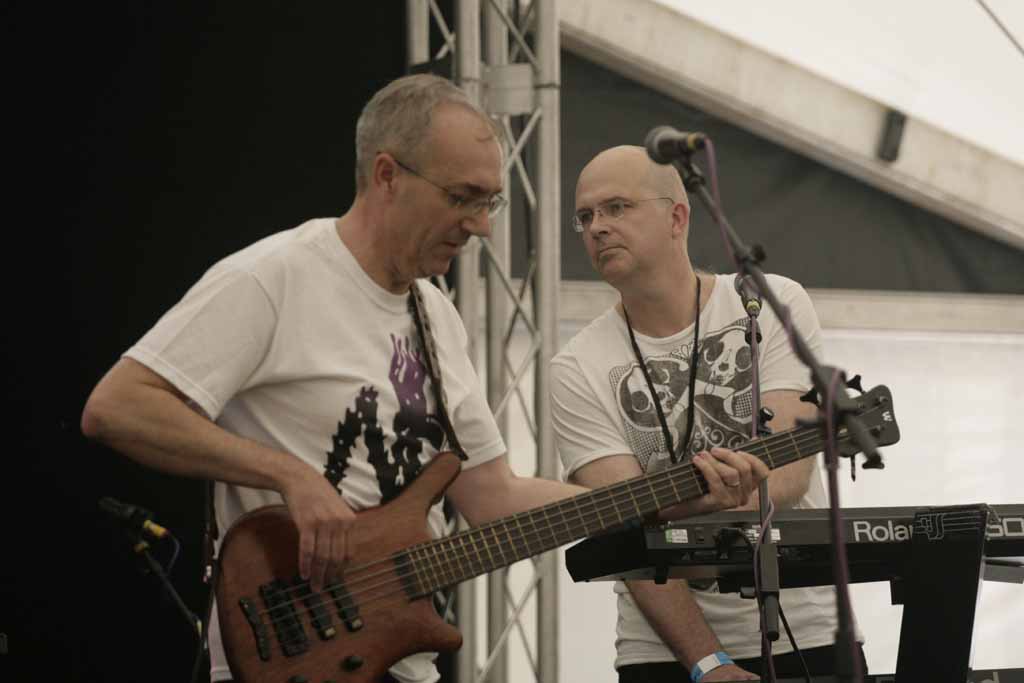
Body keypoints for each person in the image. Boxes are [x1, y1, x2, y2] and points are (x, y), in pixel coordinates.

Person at [80, 76, 768, 683]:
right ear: (387, 176)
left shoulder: (436, 316)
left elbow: (493, 497)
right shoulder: (274, 278)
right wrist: (290, 476)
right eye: (463, 197)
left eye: (492, 201)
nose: (481, 226)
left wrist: (660, 500)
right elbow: (118, 407)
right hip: (295, 650)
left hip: (397, 659)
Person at [551, 145, 866, 682]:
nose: (597, 227)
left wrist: (674, 503)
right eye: (585, 216)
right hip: (663, 654)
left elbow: (789, 475)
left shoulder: (769, 302)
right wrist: (707, 661)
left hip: (807, 630)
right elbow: (621, 523)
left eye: (617, 207)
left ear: (677, 217)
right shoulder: (576, 366)